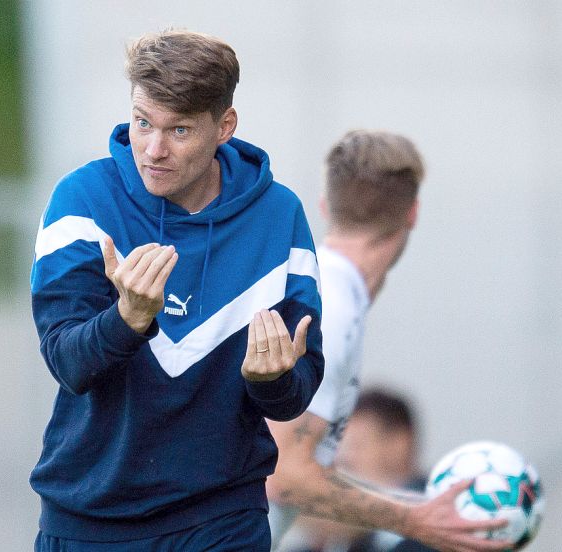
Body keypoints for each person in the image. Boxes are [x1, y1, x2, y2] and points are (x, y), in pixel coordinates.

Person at [29, 29, 325, 551]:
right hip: (90, 519)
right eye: (143, 122)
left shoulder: (278, 217)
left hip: (223, 517)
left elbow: (294, 393)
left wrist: (272, 379)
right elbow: (68, 363)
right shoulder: (82, 200)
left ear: (224, 127)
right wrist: (128, 318)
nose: (154, 149)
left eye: (180, 130)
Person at [265, 130, 510, 552]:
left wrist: (415, 507)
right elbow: (283, 477)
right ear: (412, 214)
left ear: (325, 207)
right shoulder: (331, 307)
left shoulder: (319, 288)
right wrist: (414, 518)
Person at [281, 388, 436, 552]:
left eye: (356, 446)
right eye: (336, 448)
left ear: (399, 445)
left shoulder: (439, 516)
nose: (343, 460)